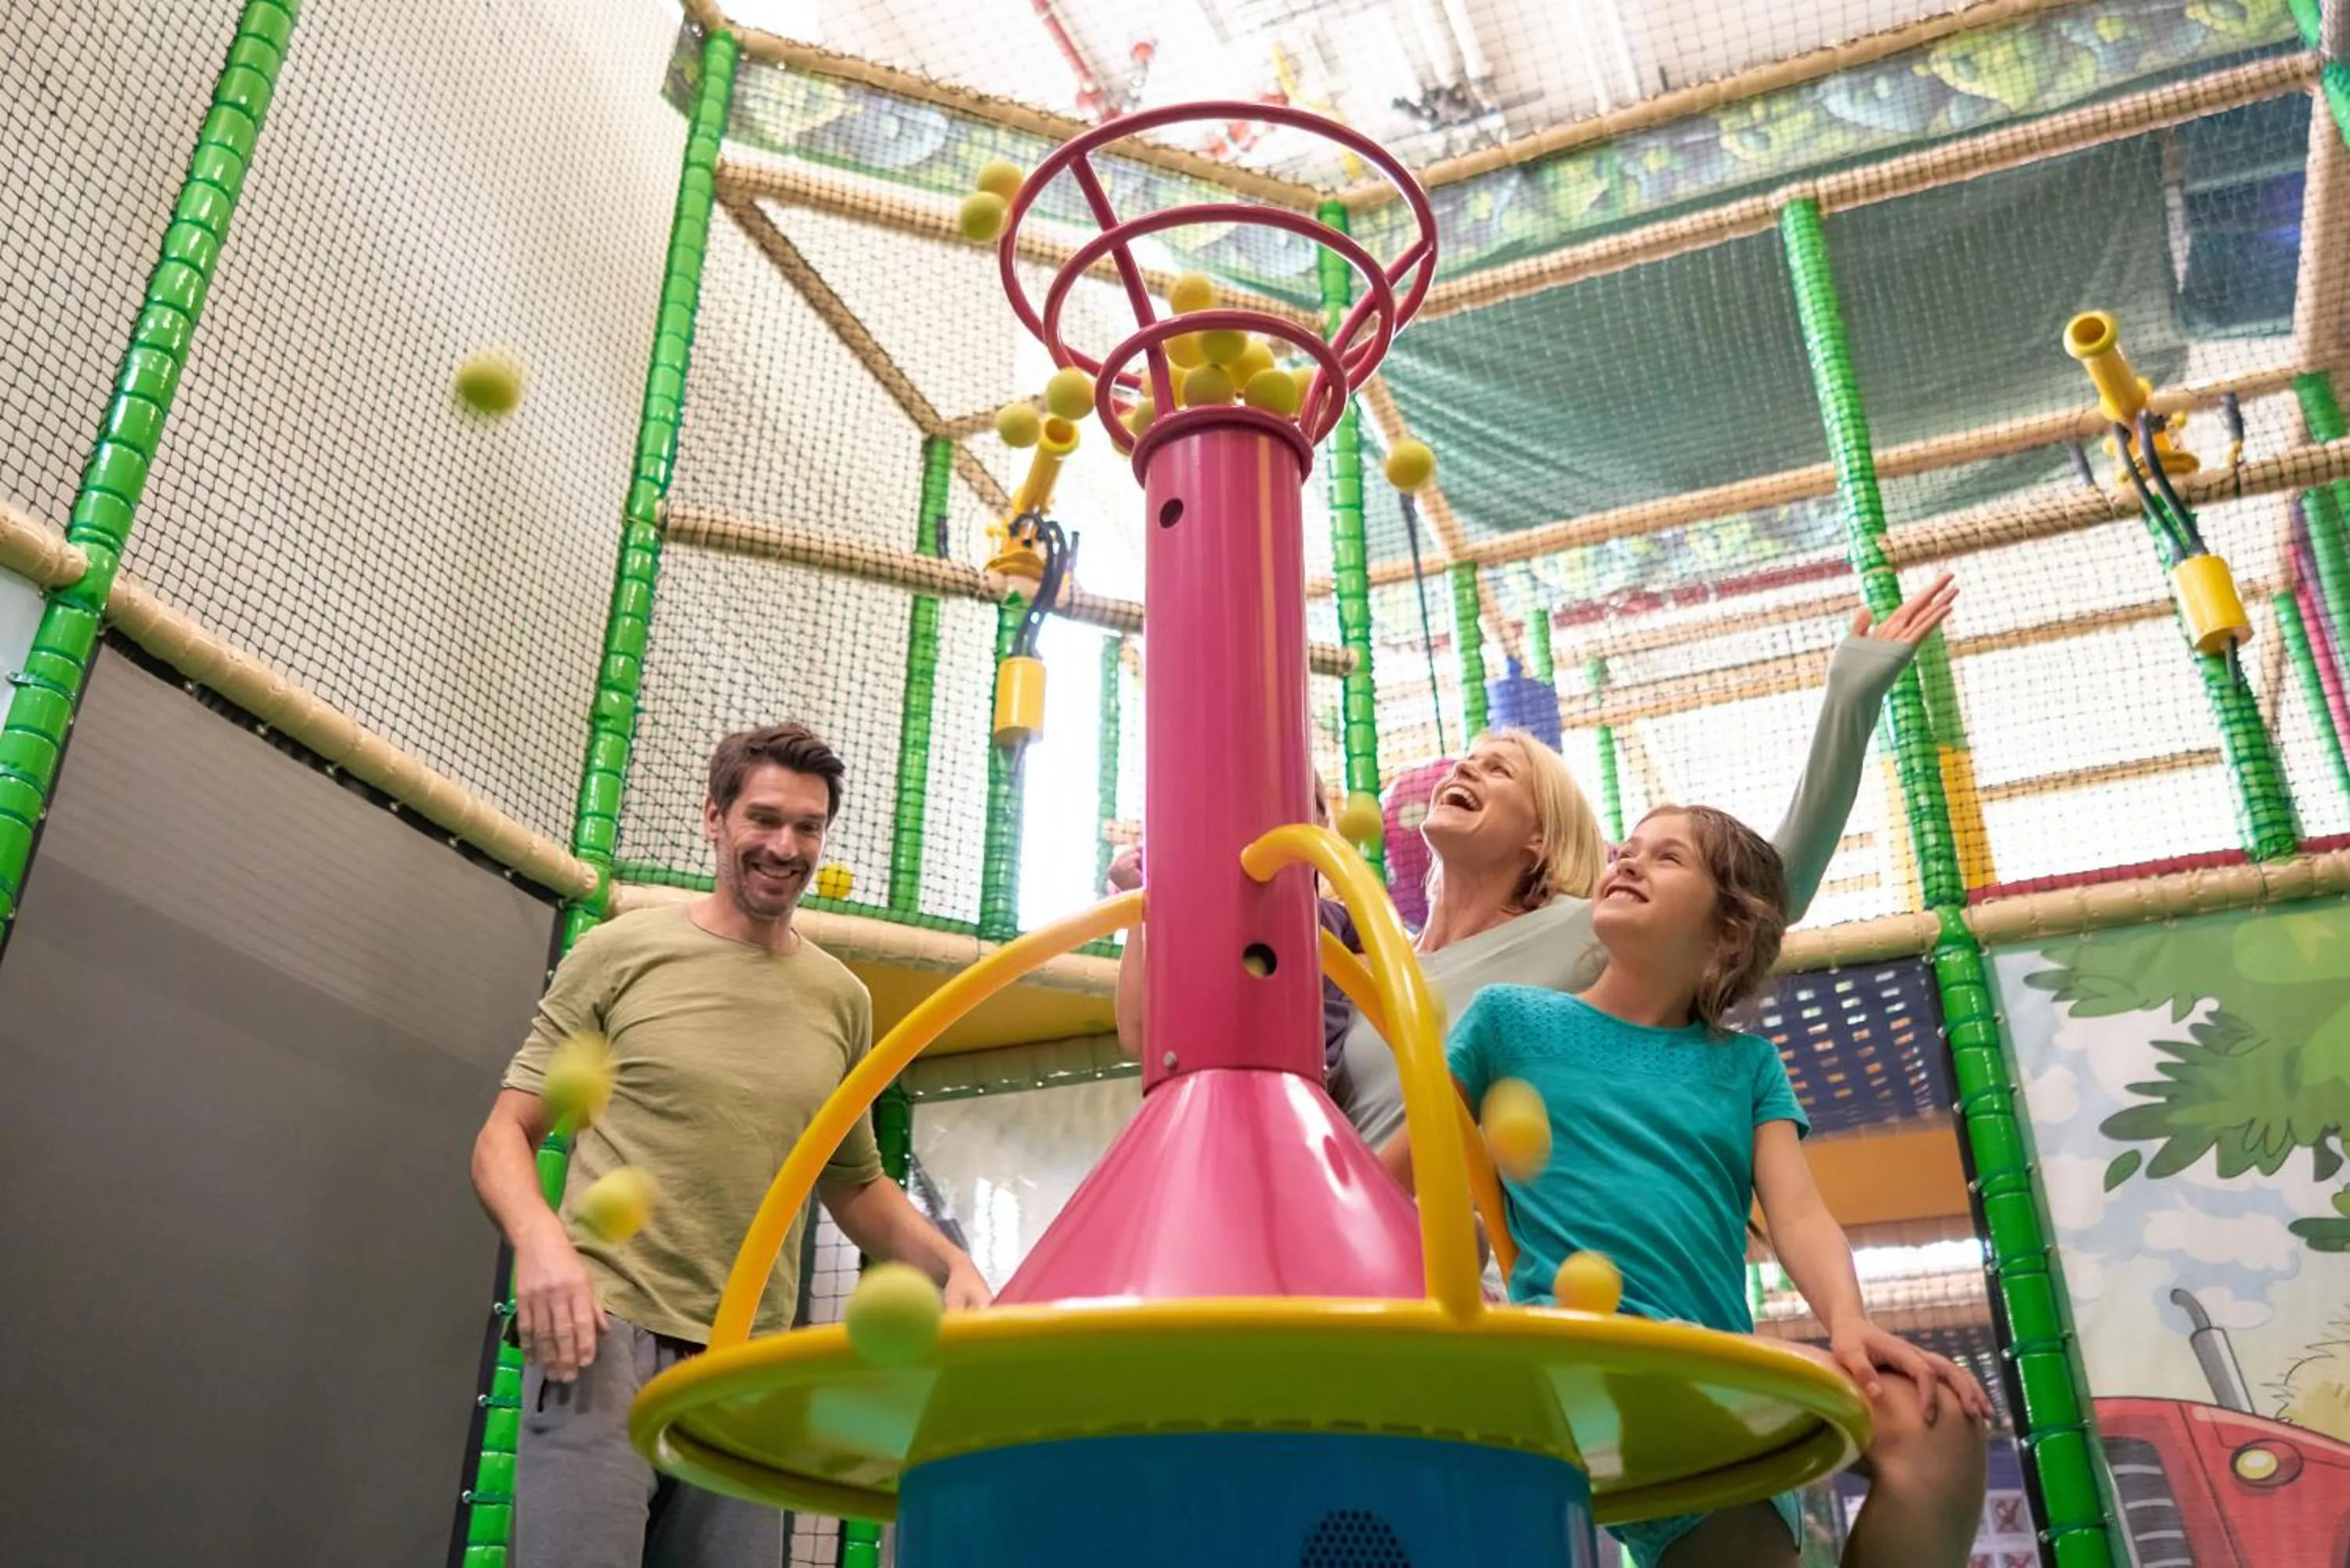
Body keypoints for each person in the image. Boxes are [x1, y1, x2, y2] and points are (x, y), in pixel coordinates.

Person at [1383, 804, 1991, 1568]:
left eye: (1667, 858)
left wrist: (1848, 1322)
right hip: (1588, 1349)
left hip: (1711, 1359)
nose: (1629, 861)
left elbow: (1799, 1214)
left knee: (1941, 1425)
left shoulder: (1745, 1067)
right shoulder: (1510, 1021)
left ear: (1727, 930)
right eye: (1626, 849)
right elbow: (1388, 1176)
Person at [469, 721, 990, 1568]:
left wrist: (950, 1264)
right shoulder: (620, 953)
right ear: (713, 818)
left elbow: (853, 1183)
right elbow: (504, 1134)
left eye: (809, 827)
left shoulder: (840, 999)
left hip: (748, 1371)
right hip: (601, 1338)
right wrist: (541, 1244)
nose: (785, 847)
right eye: (764, 818)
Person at [1332, 573, 1958, 1149]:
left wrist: (1849, 700)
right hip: (1334, 1248)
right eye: (1465, 763)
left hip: (1463, 1260)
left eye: (1498, 769)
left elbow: (1771, 889)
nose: (1465, 768)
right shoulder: (1371, 964)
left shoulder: (1585, 932)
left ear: (1540, 839)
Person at [1106, 774, 1364, 1096]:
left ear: (1322, 822)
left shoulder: (1333, 919)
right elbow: (1136, 1035)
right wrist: (1139, 906)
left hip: (1306, 1095)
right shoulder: (1198, 921)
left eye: (1277, 807)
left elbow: (1405, 958)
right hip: (1215, 1090)